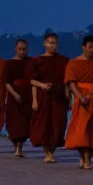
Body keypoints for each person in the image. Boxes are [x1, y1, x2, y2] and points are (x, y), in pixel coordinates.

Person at [64, 36, 93, 169]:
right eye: (90, 47)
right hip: (81, 100)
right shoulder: (73, 63)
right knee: (82, 131)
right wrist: (79, 97)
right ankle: (86, 160)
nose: (92, 50)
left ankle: (86, 158)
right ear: (83, 46)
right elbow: (71, 83)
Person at [29, 33, 70, 163]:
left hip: (59, 95)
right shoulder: (37, 60)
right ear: (44, 43)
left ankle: (51, 152)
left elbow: (67, 82)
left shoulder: (64, 60)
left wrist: (69, 98)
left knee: (58, 124)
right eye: (50, 43)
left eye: (55, 43)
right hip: (44, 95)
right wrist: (35, 98)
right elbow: (32, 81)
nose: (53, 45)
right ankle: (47, 153)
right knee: (44, 124)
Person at [2, 39, 33, 158]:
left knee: (25, 122)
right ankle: (16, 146)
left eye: (24, 49)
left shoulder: (31, 62)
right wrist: (15, 94)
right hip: (13, 95)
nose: (22, 51)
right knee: (14, 123)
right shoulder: (9, 63)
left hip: (27, 94)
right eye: (20, 49)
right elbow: (6, 82)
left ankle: (21, 147)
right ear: (15, 49)